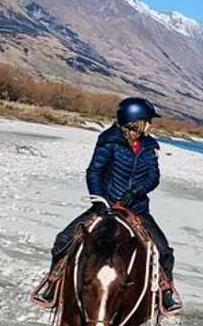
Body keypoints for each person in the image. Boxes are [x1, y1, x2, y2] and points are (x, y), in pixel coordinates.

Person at [32, 97, 182, 312]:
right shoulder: (108, 141)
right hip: (106, 204)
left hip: (137, 208)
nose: (151, 124)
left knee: (163, 250)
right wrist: (99, 200)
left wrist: (137, 191)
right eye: (148, 120)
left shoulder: (150, 145)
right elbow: (94, 172)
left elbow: (153, 177)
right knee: (63, 239)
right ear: (135, 121)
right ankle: (53, 283)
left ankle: (165, 291)